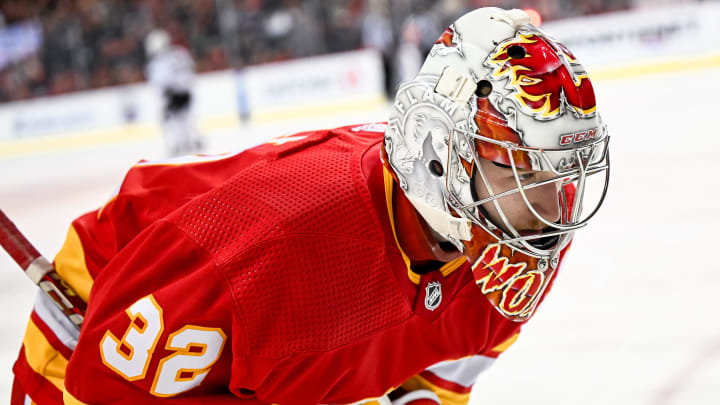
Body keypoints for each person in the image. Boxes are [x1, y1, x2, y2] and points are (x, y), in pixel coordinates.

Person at [11, 8, 609, 405]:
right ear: (441, 154)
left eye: (563, 174)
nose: (553, 206)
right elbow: (102, 387)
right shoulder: (282, 243)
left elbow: (438, 373)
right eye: (522, 169)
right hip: (119, 304)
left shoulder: (517, 237)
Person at [144, 29, 204, 157]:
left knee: (173, 120)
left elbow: (161, 82)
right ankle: (194, 139)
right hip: (186, 91)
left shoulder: (158, 62)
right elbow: (191, 69)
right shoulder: (180, 53)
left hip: (172, 94)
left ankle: (179, 143)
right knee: (187, 116)